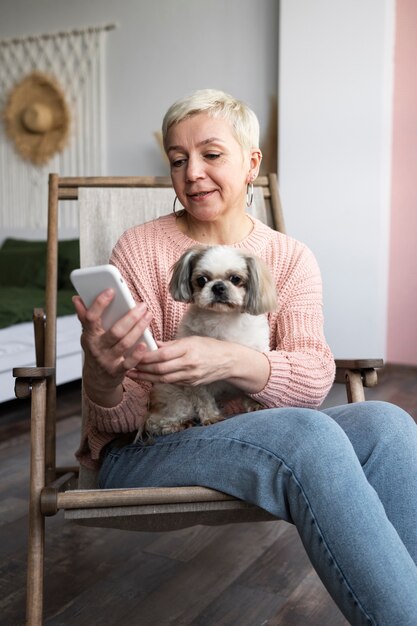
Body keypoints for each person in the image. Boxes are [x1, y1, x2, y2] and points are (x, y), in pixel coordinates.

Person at [73, 89, 417, 625]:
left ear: (252, 162)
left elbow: (311, 379)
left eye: (212, 154)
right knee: (310, 434)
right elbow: (119, 415)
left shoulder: (289, 257)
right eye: (178, 159)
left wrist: (226, 361)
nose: (193, 173)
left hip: (250, 436)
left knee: (390, 423)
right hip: (146, 450)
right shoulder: (137, 251)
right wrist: (100, 375)